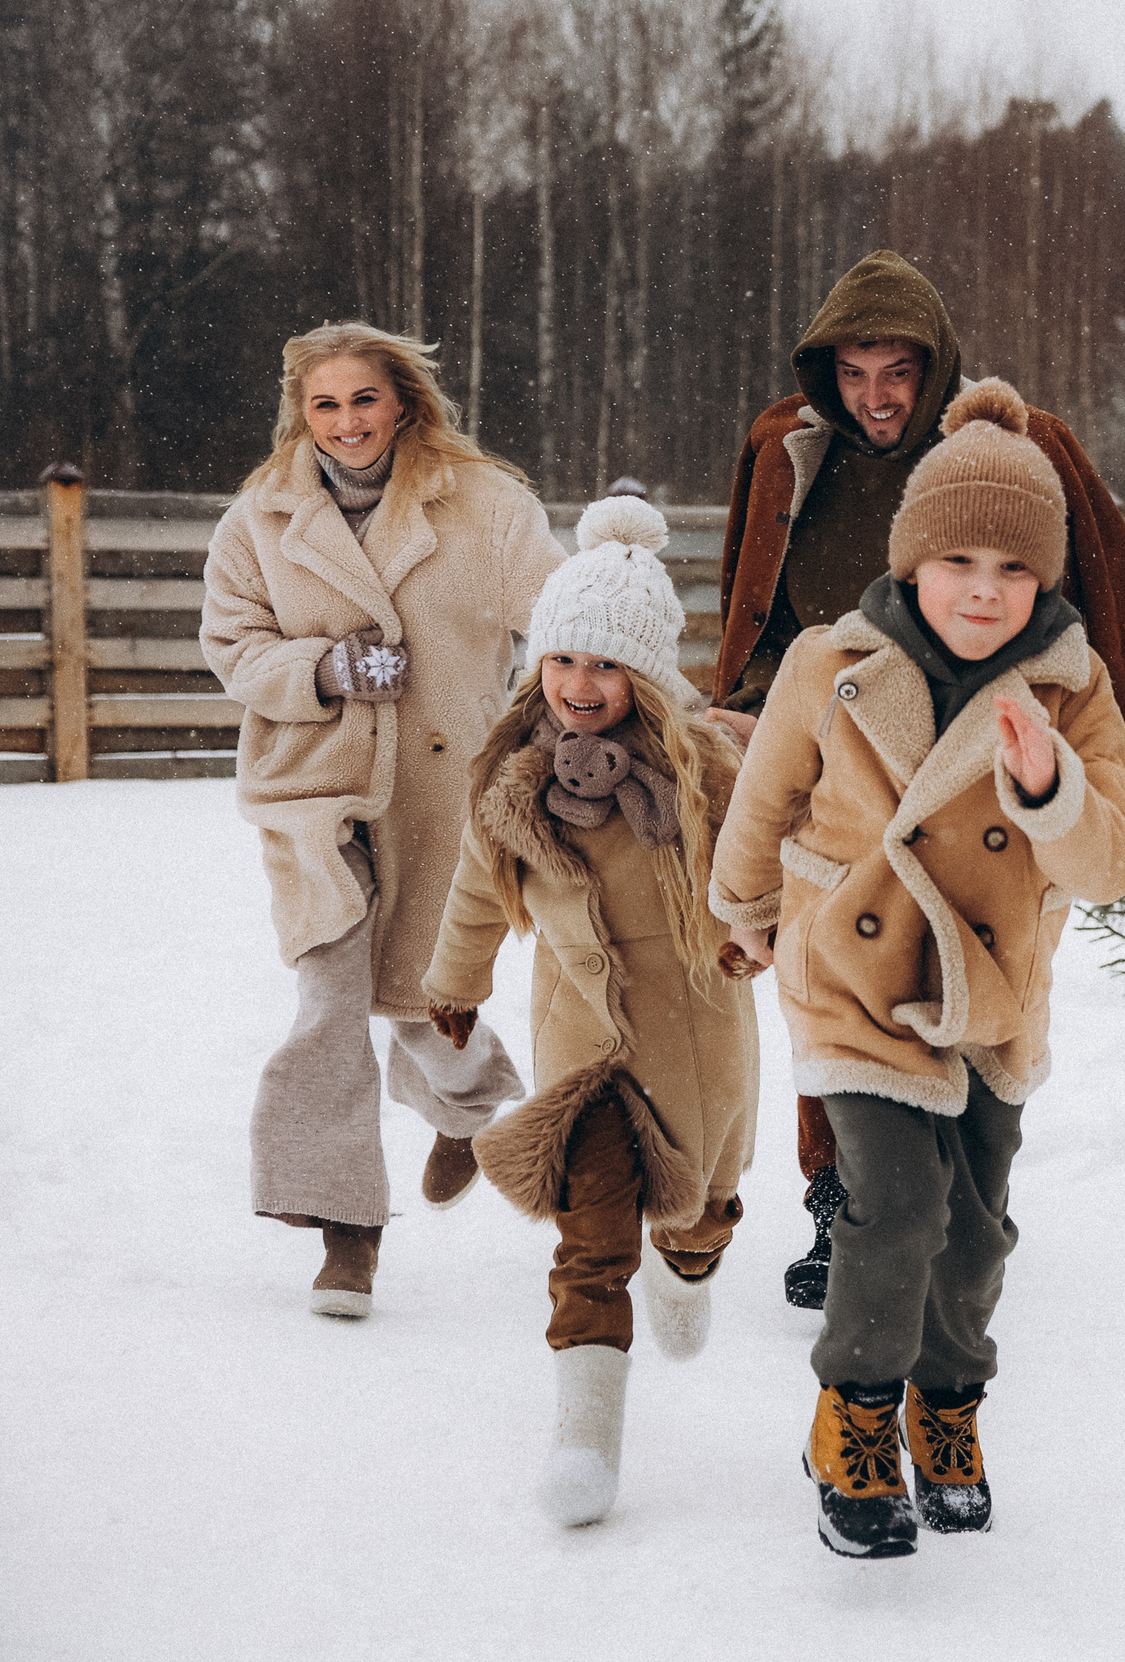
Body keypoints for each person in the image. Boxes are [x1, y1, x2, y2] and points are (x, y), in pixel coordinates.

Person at [709, 378, 1125, 1558]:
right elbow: (765, 799)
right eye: (957, 561)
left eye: (1013, 569)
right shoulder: (827, 659)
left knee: (974, 1228)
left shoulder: (1072, 684)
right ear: (910, 563)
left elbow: (1112, 864)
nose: (983, 590)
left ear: (1044, 580)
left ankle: (944, 1410)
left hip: (991, 996)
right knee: (893, 1204)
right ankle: (853, 1413)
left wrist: (1048, 787)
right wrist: (743, 907)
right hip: (852, 973)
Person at [704, 248, 1125, 1308]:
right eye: (854, 372)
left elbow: (1109, 575)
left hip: (977, 749)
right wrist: (743, 690)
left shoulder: (1010, 448)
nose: (874, 396)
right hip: (836, 736)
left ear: (934, 366)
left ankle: (950, 1192)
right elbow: (752, 582)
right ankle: (845, 1206)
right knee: (831, 966)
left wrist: (1100, 743)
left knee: (976, 976)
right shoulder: (787, 443)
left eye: (896, 371)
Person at [202, 323, 564, 1317]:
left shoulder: (488, 505)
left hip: (441, 791)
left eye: (365, 399)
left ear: (402, 401)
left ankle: (467, 1104)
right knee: (328, 999)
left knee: (418, 998)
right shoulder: (260, 518)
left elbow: (564, 621)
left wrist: (566, 728)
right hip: (309, 786)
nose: (347, 422)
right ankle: (345, 1232)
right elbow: (231, 640)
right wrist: (319, 668)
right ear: (301, 412)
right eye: (326, 404)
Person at [420, 495, 760, 1527]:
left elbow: (762, 866)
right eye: (562, 661)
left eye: (604, 666)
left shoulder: (705, 772)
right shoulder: (512, 781)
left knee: (699, 1212)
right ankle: (585, 1441)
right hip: (583, 1048)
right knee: (588, 1236)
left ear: (644, 675)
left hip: (695, 1037)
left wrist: (755, 927)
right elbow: (479, 889)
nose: (579, 686)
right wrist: (455, 981)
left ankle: (689, 1264)